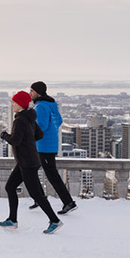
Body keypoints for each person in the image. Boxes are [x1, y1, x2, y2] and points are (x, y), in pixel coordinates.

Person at [0, 91, 63, 235]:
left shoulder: (20, 120)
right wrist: (28, 141)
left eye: (14, 102)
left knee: (37, 195)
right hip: (26, 161)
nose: (12, 104)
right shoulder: (29, 118)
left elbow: (15, 141)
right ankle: (12, 220)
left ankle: (55, 220)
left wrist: (4, 135)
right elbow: (39, 134)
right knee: (10, 187)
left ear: (20, 104)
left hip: (27, 163)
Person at [28, 81, 78, 215]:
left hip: (43, 146)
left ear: (38, 93)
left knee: (52, 175)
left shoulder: (41, 106)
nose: (30, 93)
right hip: (49, 144)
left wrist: (29, 130)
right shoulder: (51, 104)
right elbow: (59, 121)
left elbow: (41, 126)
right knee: (33, 171)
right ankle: (40, 198)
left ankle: (68, 202)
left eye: (32, 91)